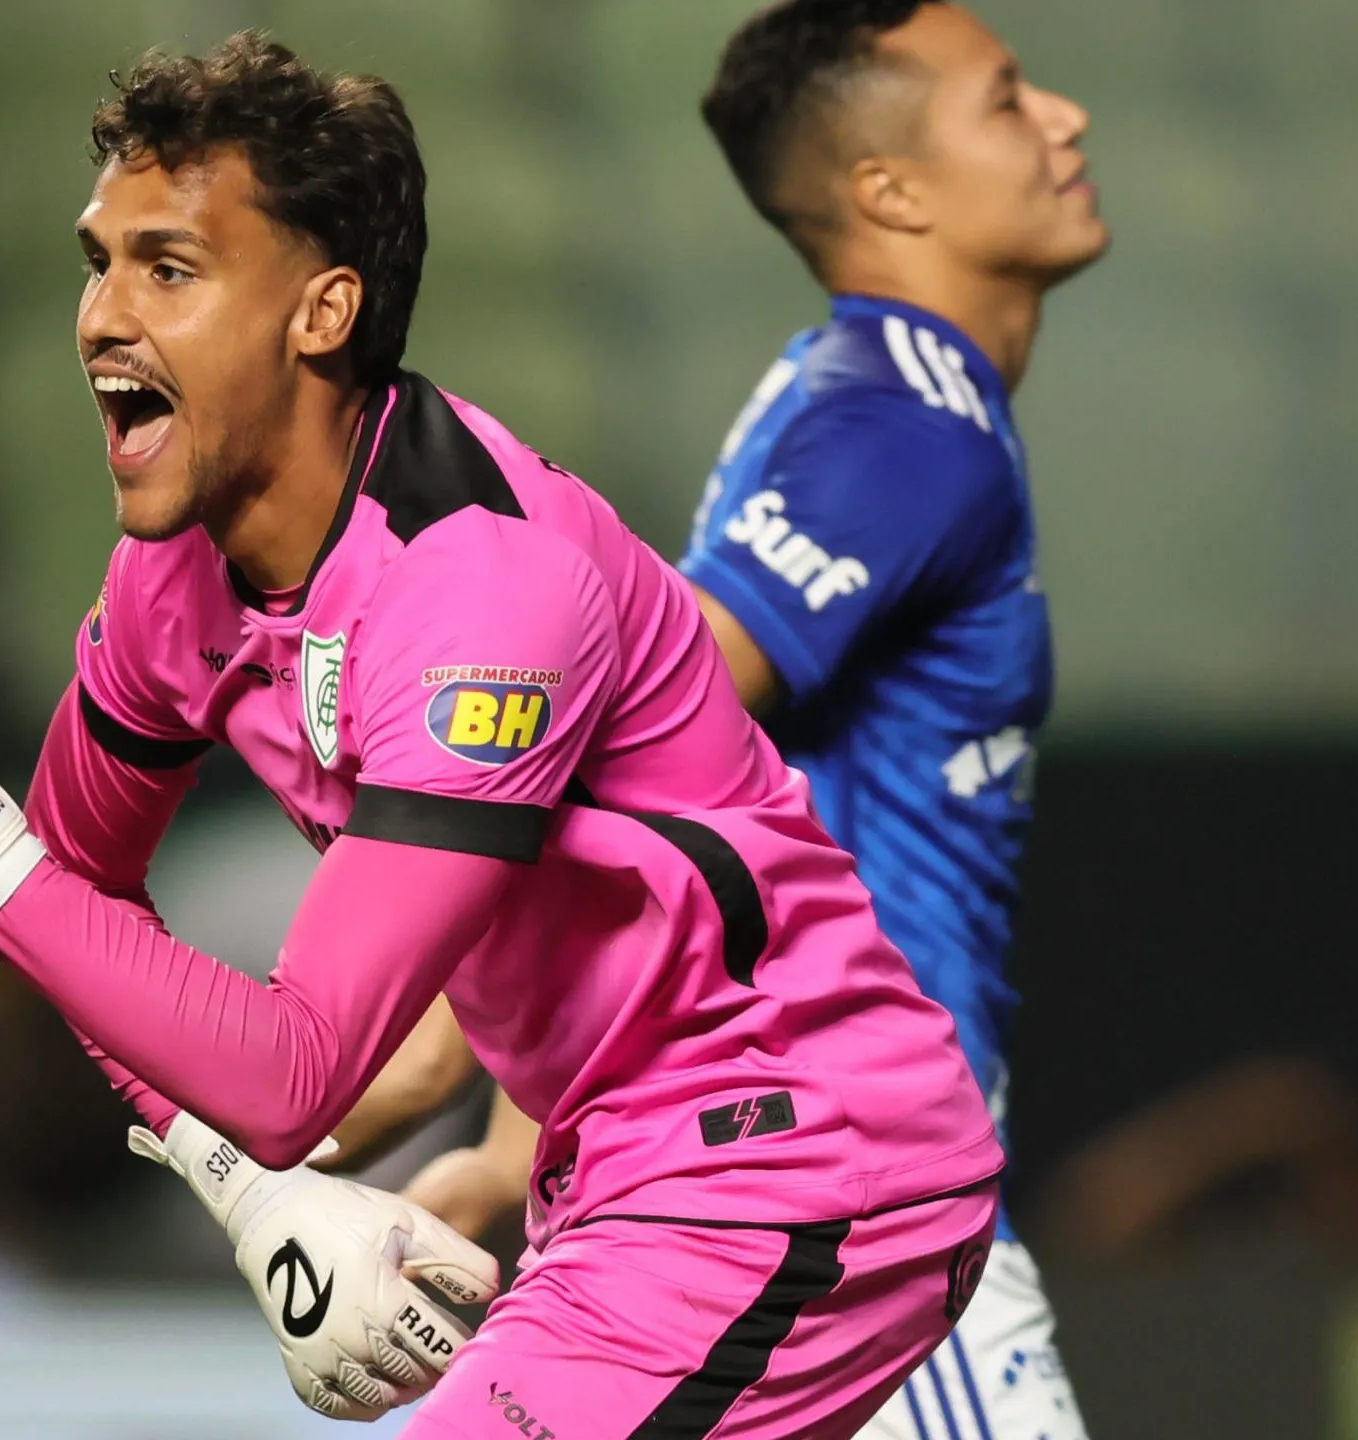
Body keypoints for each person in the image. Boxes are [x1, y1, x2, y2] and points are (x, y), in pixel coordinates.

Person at [0, 31, 1005, 1440]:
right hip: (611, 1167)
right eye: (100, 262)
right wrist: (252, 1198)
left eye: (170, 269)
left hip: (789, 1157)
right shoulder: (170, 580)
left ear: (321, 312)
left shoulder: (487, 593)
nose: (102, 317)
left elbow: (288, 1068)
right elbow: (69, 899)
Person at [336, 4, 1111, 1437]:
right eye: (1007, 102)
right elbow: (621, 725)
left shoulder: (852, 396)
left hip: (751, 1183)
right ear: (890, 189)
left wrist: (523, 1138)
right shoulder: (899, 428)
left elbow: (678, 782)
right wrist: (441, 1047)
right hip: (854, 1201)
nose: (1065, 119)